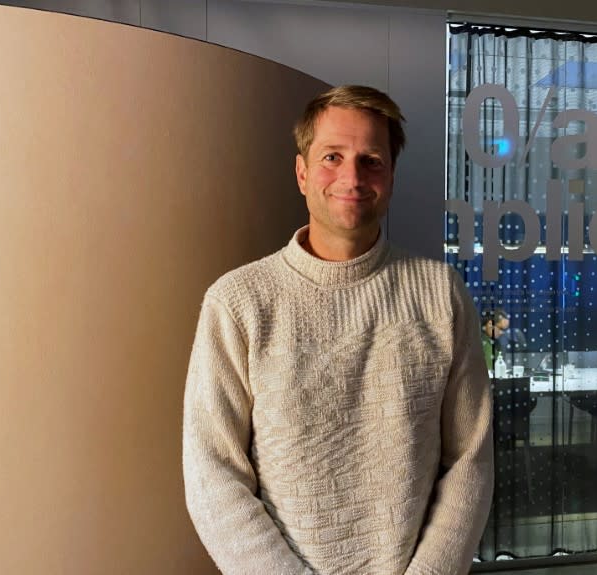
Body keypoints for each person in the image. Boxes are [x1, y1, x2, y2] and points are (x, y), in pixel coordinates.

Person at [183, 85, 493, 575]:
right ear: (302, 172)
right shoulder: (238, 302)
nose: (352, 176)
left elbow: (469, 460)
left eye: (371, 159)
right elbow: (212, 475)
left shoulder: (441, 293)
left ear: (390, 177)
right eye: (332, 157)